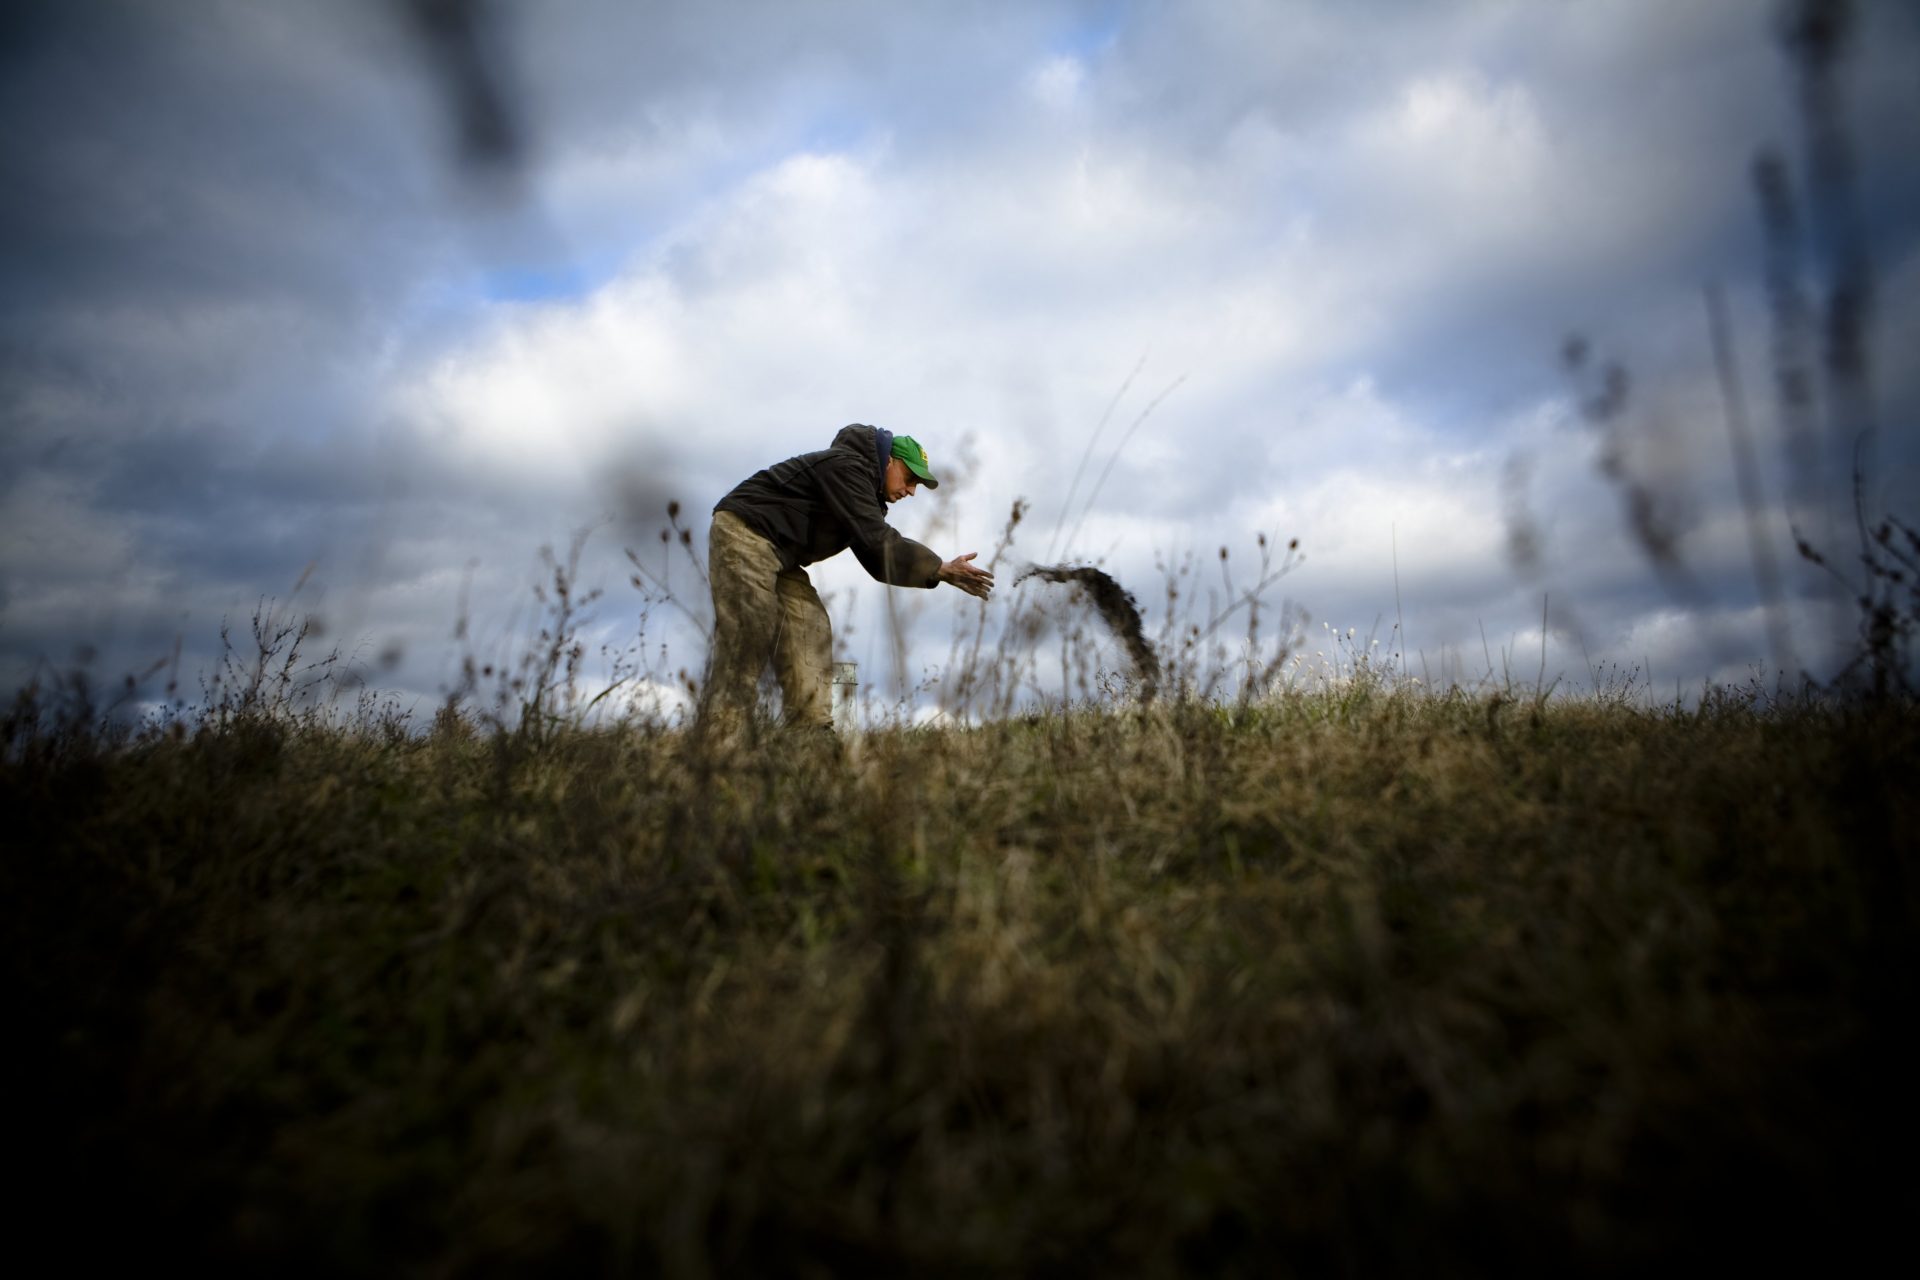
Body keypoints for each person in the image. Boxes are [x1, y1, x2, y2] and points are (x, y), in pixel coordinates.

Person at [698, 423, 994, 742]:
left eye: (917, 485)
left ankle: (810, 735)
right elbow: (878, 542)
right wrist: (940, 567)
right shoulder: (847, 468)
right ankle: (721, 732)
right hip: (744, 531)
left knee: (810, 624)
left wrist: (937, 572)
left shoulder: (863, 495)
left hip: (780, 556)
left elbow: (878, 561)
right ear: (889, 461)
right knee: (751, 623)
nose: (911, 491)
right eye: (910, 479)